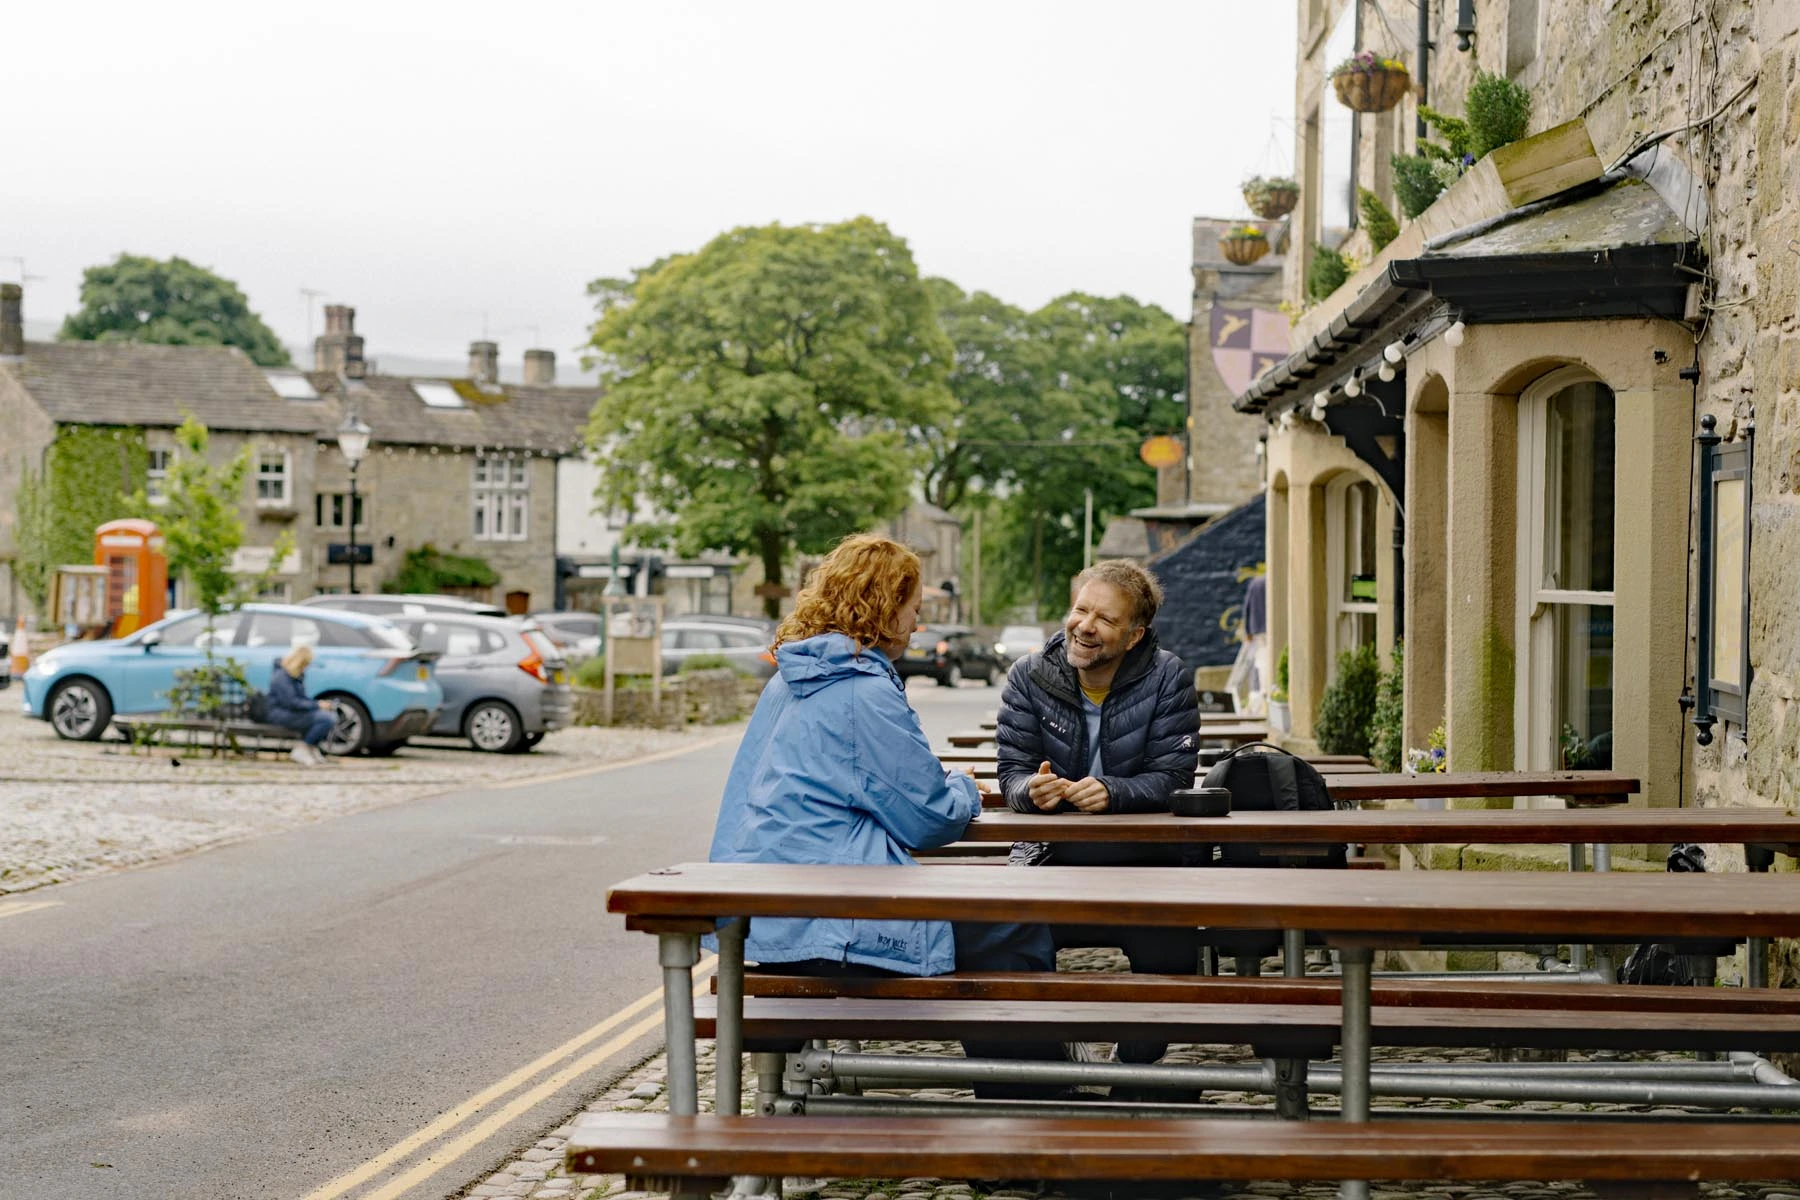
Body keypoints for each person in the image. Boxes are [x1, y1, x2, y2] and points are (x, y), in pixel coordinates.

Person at [708, 533, 1068, 1096]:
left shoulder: (790, 679)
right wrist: (966, 787)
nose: (918, 625)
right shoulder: (861, 691)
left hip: (763, 921)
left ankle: (1029, 1092)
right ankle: (1032, 1106)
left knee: (991, 922)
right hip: (822, 929)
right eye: (915, 609)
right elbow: (930, 819)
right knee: (1016, 925)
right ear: (883, 606)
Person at [996, 559, 1200, 1095]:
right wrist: (1029, 791)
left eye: (1104, 619)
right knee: (1001, 944)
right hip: (1052, 857)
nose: (1084, 626)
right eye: (1080, 610)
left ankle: (1130, 1069)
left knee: (1174, 958)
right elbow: (1012, 771)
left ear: (1134, 635)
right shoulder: (1029, 674)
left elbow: (1176, 777)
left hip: (1144, 862)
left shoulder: (1168, 676)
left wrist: (1115, 792)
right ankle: (1053, 1061)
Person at [268, 645, 337, 766]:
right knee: (325, 719)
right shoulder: (282, 676)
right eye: (305, 664)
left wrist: (316, 705)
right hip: (279, 714)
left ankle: (311, 747)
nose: (306, 668)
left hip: (288, 711)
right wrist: (316, 705)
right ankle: (304, 748)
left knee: (327, 716)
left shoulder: (293, 676)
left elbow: (299, 699)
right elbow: (291, 702)